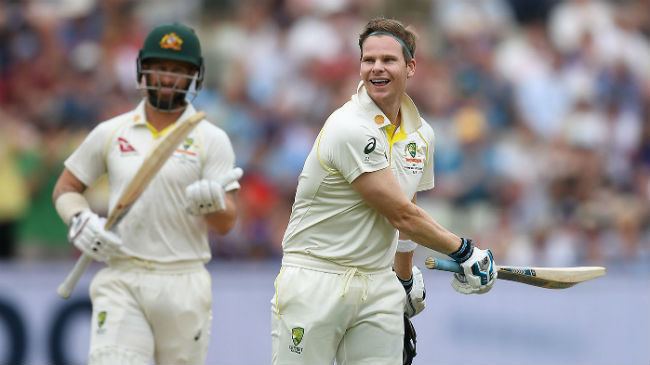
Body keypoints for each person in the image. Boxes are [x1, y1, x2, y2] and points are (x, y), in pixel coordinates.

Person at [270, 17, 497, 365]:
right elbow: (400, 213)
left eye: (388, 60)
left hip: (377, 284)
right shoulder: (349, 127)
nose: (376, 68)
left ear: (411, 67)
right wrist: (464, 251)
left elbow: (407, 216)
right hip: (316, 278)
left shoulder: (421, 135)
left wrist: (403, 278)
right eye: (368, 60)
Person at [52, 23, 242, 365]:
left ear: (194, 77)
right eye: (161, 68)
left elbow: (227, 222)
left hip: (183, 279)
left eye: (179, 71)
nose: (168, 79)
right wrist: (78, 218)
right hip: (123, 274)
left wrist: (211, 204)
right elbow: (66, 187)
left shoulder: (211, 139)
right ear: (142, 70)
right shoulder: (111, 132)